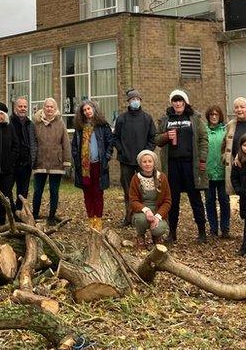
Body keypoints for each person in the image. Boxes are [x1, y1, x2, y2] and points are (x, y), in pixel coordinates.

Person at [155, 89, 209, 244]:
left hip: (190, 164)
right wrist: (166, 136)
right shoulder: (165, 119)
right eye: (175, 101)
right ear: (171, 103)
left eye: (180, 101)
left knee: (195, 198)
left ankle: (202, 232)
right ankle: (172, 233)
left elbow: (203, 139)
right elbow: (156, 140)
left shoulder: (195, 118)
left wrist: (202, 159)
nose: (177, 103)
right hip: (171, 165)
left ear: (185, 103)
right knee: (173, 199)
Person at [113, 88, 156, 227]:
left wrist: (147, 154)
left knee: (145, 190)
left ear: (140, 101)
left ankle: (145, 217)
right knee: (128, 191)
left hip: (143, 162)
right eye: (132, 100)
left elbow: (152, 138)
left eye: (137, 99)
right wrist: (121, 151)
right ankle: (128, 217)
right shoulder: (121, 119)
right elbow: (115, 138)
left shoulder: (147, 118)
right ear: (128, 102)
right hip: (126, 161)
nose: (135, 102)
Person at [71, 99, 114, 230]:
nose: (87, 112)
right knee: (87, 193)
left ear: (94, 109)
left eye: (89, 109)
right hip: (85, 167)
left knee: (98, 193)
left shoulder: (103, 126)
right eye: (84, 110)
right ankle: (91, 218)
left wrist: (106, 157)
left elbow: (110, 143)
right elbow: (74, 147)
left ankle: (98, 219)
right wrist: (77, 161)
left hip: (98, 165)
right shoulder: (79, 128)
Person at [32, 97, 72, 225]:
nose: (49, 109)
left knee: (54, 191)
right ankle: (35, 214)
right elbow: (33, 143)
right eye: (47, 106)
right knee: (38, 190)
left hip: (56, 162)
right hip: (40, 162)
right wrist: (33, 160)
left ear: (55, 109)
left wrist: (66, 160)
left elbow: (65, 143)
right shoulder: (36, 123)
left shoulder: (60, 123)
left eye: (52, 107)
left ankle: (51, 216)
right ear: (44, 108)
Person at [128, 149, 171, 249]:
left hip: (157, 211)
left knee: (159, 228)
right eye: (144, 162)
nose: (147, 164)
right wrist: (146, 210)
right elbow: (133, 200)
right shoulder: (136, 178)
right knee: (141, 220)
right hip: (141, 212)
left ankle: (156, 236)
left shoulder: (162, 177)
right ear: (140, 164)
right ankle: (140, 235)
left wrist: (158, 216)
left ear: (154, 163)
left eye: (150, 161)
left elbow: (167, 201)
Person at [204, 105, 231, 238]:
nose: (214, 117)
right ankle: (213, 228)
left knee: (224, 200)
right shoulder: (204, 131)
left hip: (222, 172)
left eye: (216, 114)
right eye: (211, 115)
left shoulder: (226, 131)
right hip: (208, 172)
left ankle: (225, 228)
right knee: (209, 201)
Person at [9, 97, 37, 218]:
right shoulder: (9, 122)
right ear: (15, 108)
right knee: (7, 191)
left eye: (25, 106)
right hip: (11, 164)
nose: (23, 109)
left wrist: (32, 160)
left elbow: (33, 143)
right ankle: (6, 215)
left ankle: (19, 215)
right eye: (20, 106)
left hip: (26, 165)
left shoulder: (30, 124)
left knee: (23, 193)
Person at [222, 96, 246, 195]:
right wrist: (225, 158)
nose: (239, 110)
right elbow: (224, 144)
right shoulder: (231, 124)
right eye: (236, 107)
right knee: (239, 194)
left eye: (242, 107)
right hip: (237, 166)